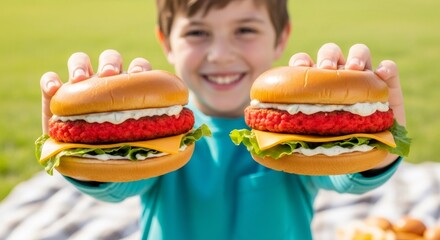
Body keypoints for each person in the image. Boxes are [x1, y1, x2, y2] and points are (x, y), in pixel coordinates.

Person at [39, 0, 406, 239]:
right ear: (166, 42)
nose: (220, 54)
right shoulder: (173, 139)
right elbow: (117, 187)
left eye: (245, 30)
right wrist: (80, 141)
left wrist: (374, 130)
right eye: (197, 33)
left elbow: (350, 179)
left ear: (281, 38)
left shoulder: (297, 132)